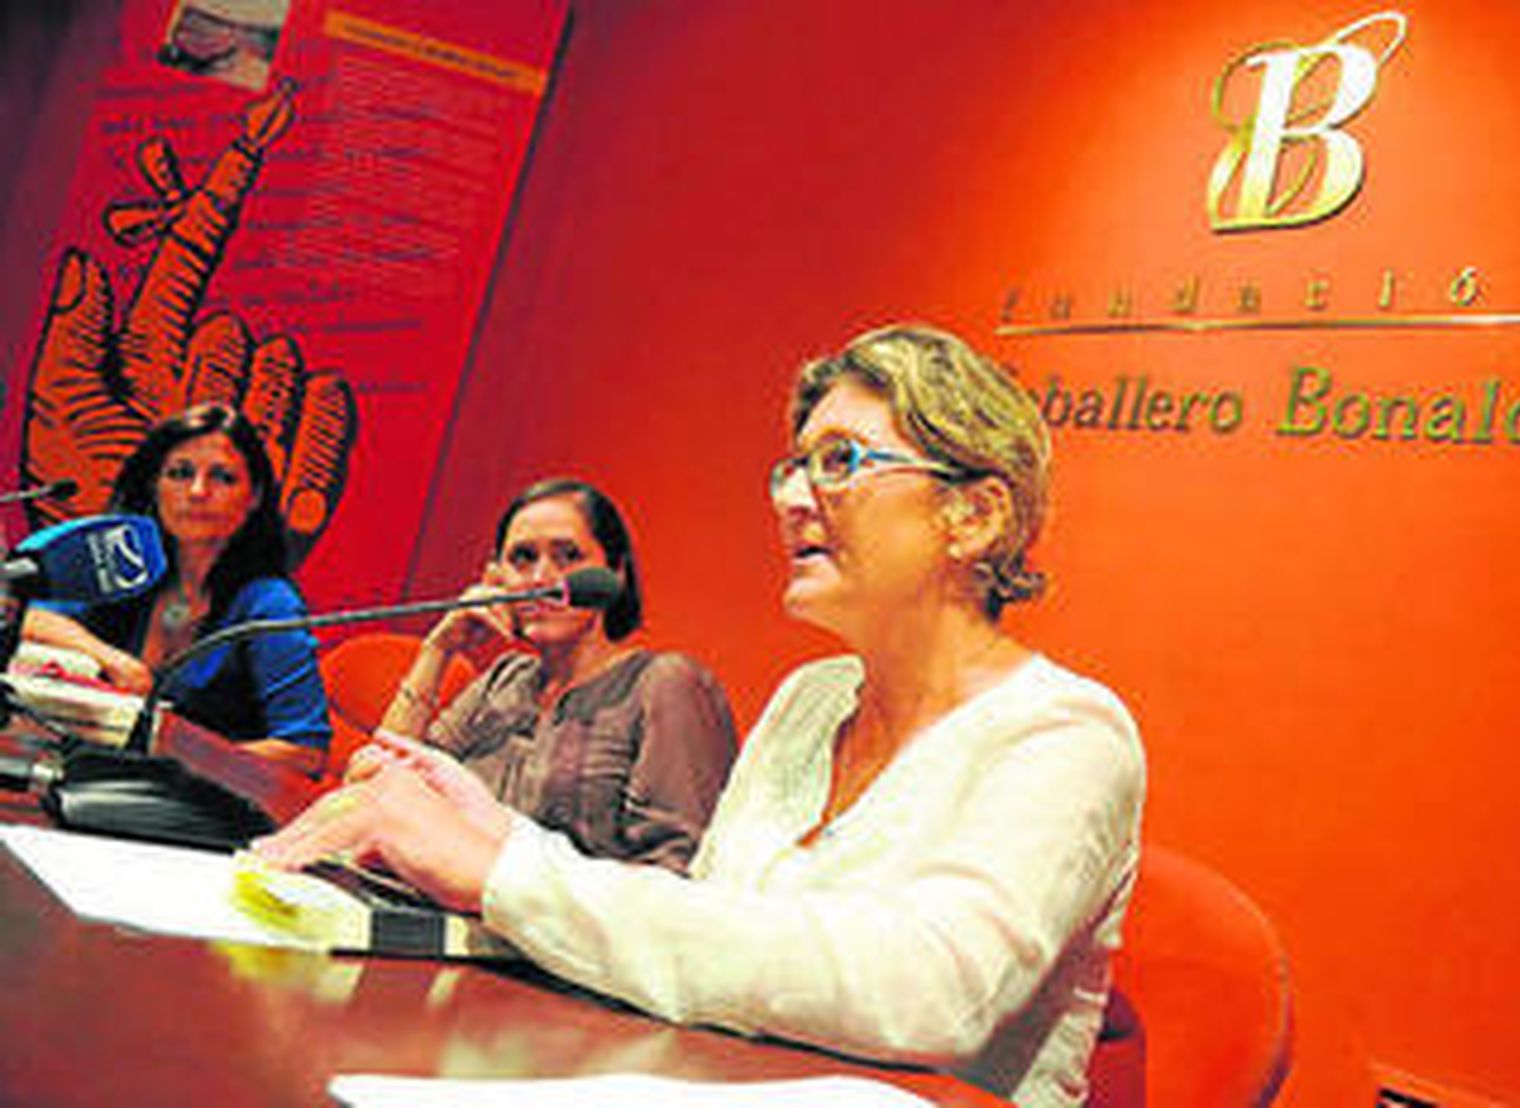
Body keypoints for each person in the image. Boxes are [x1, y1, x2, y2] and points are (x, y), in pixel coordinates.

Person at [253, 325, 1146, 1107]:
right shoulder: (811, 700)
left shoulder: (1067, 735)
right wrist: (477, 820)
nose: (793, 497)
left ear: (974, 515)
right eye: (794, 465)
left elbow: (925, 996)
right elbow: (707, 926)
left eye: (840, 460)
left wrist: (507, 870)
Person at [351, 478, 738, 873]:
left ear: (615, 574)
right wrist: (438, 650)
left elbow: (678, 867)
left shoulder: (665, 683)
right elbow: (375, 784)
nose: (541, 577)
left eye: (569, 556)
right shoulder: (503, 681)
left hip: (563, 930)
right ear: (495, 577)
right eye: (522, 558)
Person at [24, 403, 330, 774]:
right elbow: (29, 615)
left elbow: (305, 752)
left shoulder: (269, 604)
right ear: (155, 486)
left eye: (223, 478)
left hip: (204, 809)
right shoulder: (126, 566)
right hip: (92, 783)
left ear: (254, 498)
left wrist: (175, 753)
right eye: (180, 473)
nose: (198, 491)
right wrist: (113, 660)